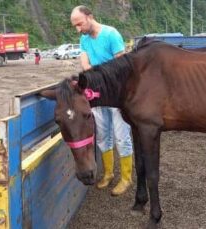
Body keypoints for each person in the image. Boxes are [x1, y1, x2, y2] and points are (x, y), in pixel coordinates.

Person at [71, 5, 133, 196]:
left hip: (116, 95)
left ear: (90, 17)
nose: (78, 29)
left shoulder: (111, 34)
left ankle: (126, 178)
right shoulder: (84, 40)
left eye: (80, 24)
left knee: (122, 138)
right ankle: (108, 174)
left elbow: (121, 66)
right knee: (103, 137)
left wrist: (98, 76)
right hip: (97, 96)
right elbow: (85, 64)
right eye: (75, 26)